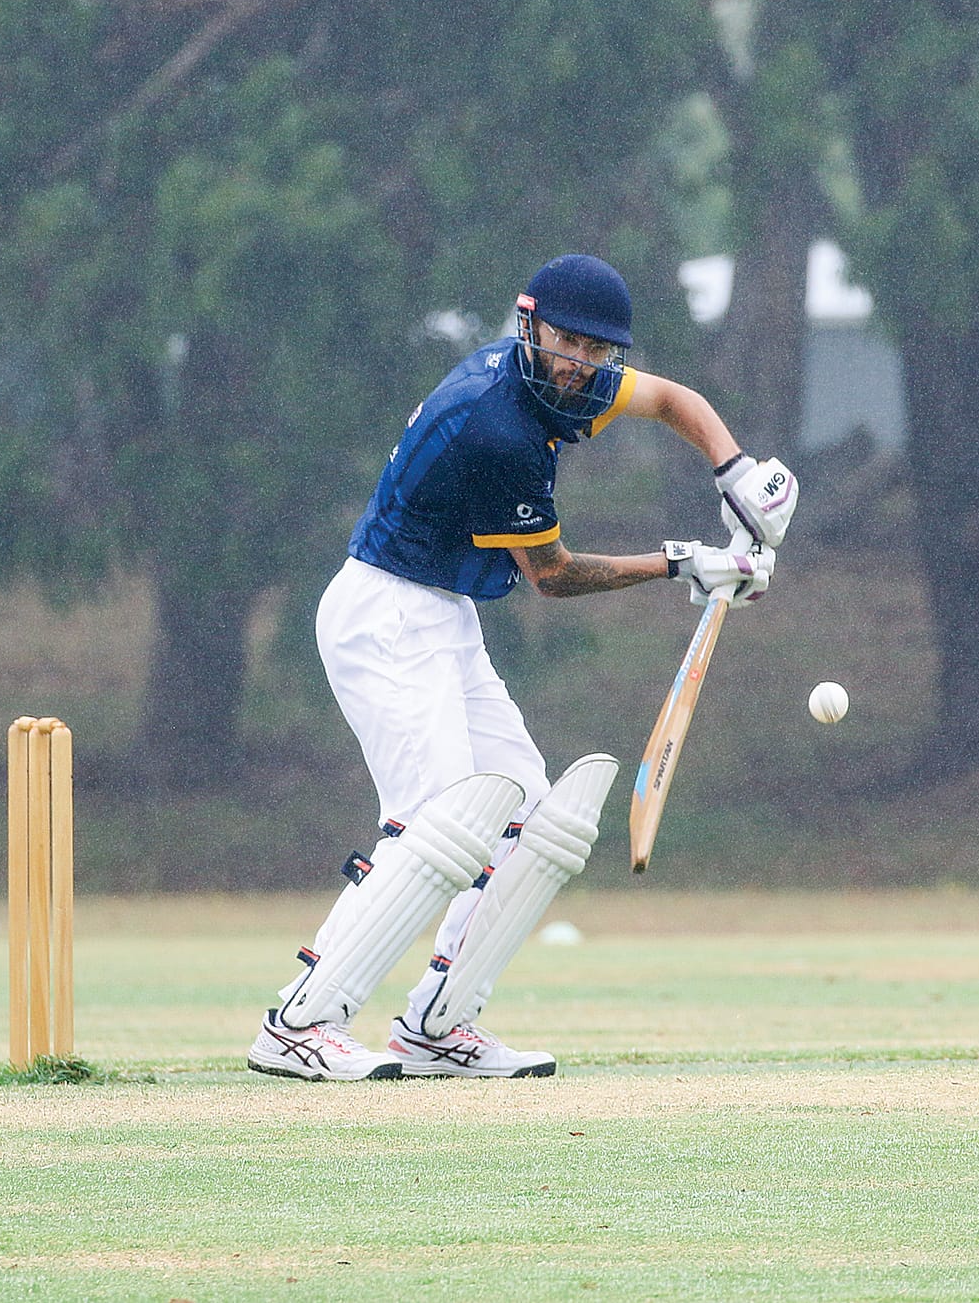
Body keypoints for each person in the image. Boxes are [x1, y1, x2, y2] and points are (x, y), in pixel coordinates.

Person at [246, 253, 797, 1082]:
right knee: (437, 821)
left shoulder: (563, 381)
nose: (578, 363)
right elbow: (552, 576)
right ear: (530, 325)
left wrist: (737, 472)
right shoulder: (497, 426)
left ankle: (438, 1025)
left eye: (595, 350)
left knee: (536, 818)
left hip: (442, 614)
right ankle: (300, 1021)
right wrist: (684, 561)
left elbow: (673, 399)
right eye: (565, 341)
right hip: (385, 615)